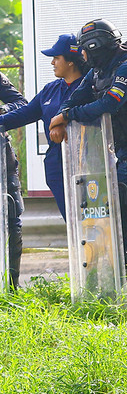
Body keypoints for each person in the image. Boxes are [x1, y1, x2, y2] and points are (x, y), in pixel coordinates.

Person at [50, 19, 127, 282]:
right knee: (116, 224)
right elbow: (76, 97)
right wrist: (63, 114)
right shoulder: (98, 72)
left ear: (96, 47)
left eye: (84, 49)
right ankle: (114, 284)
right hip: (125, 155)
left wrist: (69, 115)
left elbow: (108, 104)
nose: (82, 55)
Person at [0, 33, 88, 219]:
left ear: (71, 61)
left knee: (91, 216)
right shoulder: (51, 89)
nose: (52, 63)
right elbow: (23, 114)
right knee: (72, 219)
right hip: (56, 163)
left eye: (56, 58)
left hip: (86, 161)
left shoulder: (90, 87)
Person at [0, 71, 27, 288]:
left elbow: (20, 103)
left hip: (2, 159)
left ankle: (11, 288)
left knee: (12, 218)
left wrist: (3, 110)